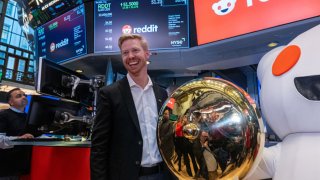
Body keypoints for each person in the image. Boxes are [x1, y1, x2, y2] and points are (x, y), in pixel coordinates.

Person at [90, 34, 175, 180]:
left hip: (162, 174)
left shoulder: (161, 93)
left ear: (146, 54)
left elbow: (167, 133)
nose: (130, 56)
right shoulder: (109, 94)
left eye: (135, 50)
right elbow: (99, 147)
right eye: (125, 53)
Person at [0, 88, 36, 179]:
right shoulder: (3, 115)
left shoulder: (29, 117)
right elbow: (0, 140)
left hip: (25, 167)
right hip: (6, 168)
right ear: (11, 102)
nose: (24, 97)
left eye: (24, 95)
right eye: (19, 96)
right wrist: (20, 138)